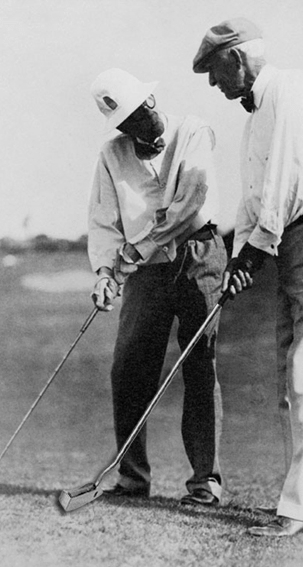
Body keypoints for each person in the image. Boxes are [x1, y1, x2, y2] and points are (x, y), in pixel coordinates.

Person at [192, 18, 303, 535]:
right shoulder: (255, 116)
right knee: (293, 379)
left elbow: (286, 179)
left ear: (238, 59)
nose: (215, 85)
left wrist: (252, 256)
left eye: (216, 72)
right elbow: (254, 199)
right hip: (293, 244)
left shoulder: (288, 87)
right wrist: (241, 256)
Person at [87, 68, 228, 506]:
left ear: (150, 103)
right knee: (129, 367)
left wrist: (140, 247)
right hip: (144, 272)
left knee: (199, 362)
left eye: (136, 116)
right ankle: (132, 479)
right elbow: (103, 219)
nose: (133, 129)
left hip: (199, 254)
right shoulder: (112, 152)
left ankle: (206, 481)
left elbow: (191, 204)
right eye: (124, 124)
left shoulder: (193, 131)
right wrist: (106, 274)